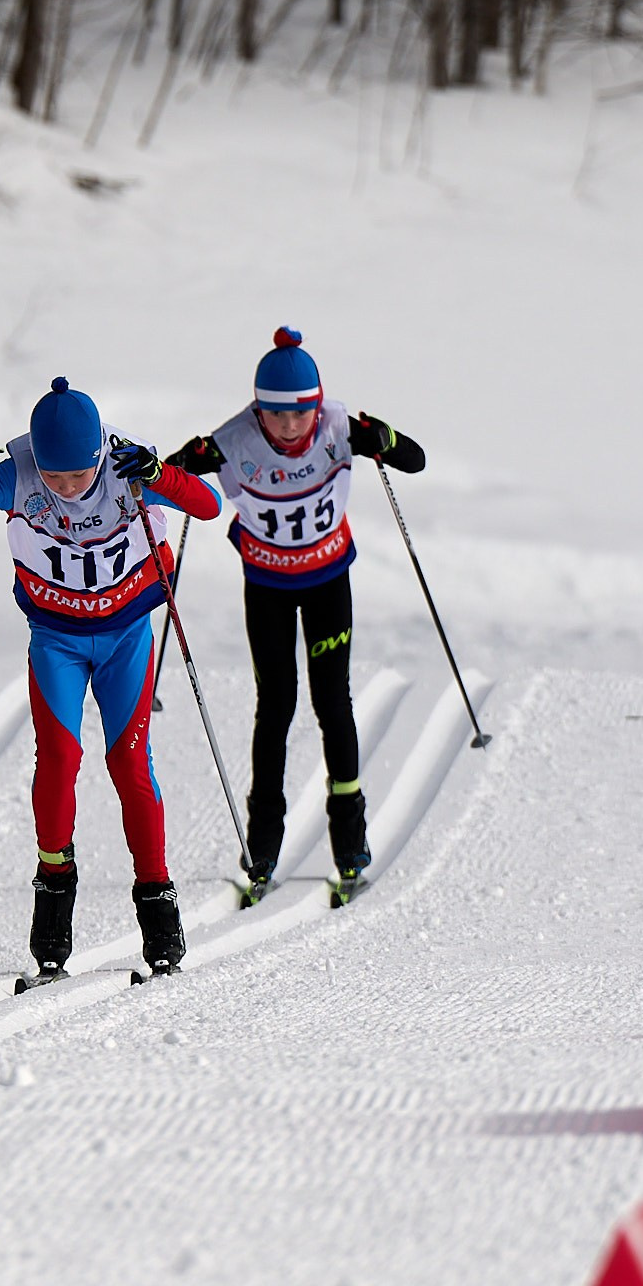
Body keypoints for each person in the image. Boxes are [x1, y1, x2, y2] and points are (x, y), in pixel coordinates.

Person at [0, 378, 223, 979]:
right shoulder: (18, 473)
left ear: (98, 456)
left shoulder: (126, 464)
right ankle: (53, 902)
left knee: (130, 765)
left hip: (125, 636)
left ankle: (158, 906)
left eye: (79, 477)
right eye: (55, 478)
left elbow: (207, 506)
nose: (67, 490)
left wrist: (158, 475)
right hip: (55, 638)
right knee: (57, 756)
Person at [164, 327, 425, 903]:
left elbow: (416, 461)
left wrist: (384, 437)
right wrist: (174, 467)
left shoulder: (338, 426)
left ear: (316, 404)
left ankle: (350, 843)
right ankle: (262, 845)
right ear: (258, 409)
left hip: (329, 579)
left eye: (299, 413)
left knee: (333, 701)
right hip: (268, 588)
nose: (288, 427)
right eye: (275, 415)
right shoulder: (231, 441)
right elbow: (172, 478)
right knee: (276, 705)